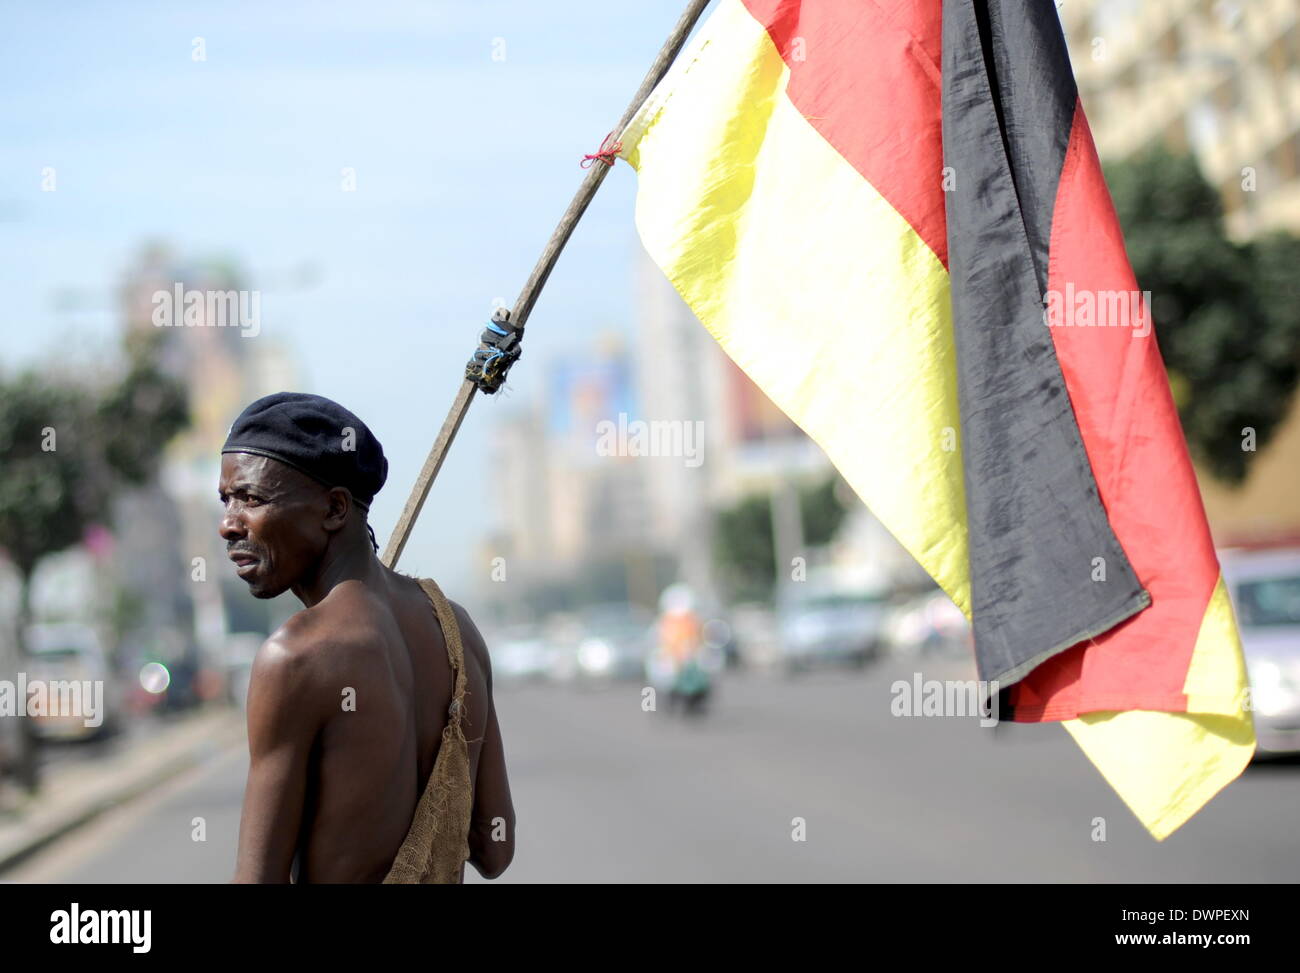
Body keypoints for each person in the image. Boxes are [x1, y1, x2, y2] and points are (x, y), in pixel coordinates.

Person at [220, 391, 514, 883]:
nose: (229, 524)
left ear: (335, 509)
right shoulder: (457, 629)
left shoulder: (293, 658)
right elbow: (495, 847)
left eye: (252, 499)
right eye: (226, 499)